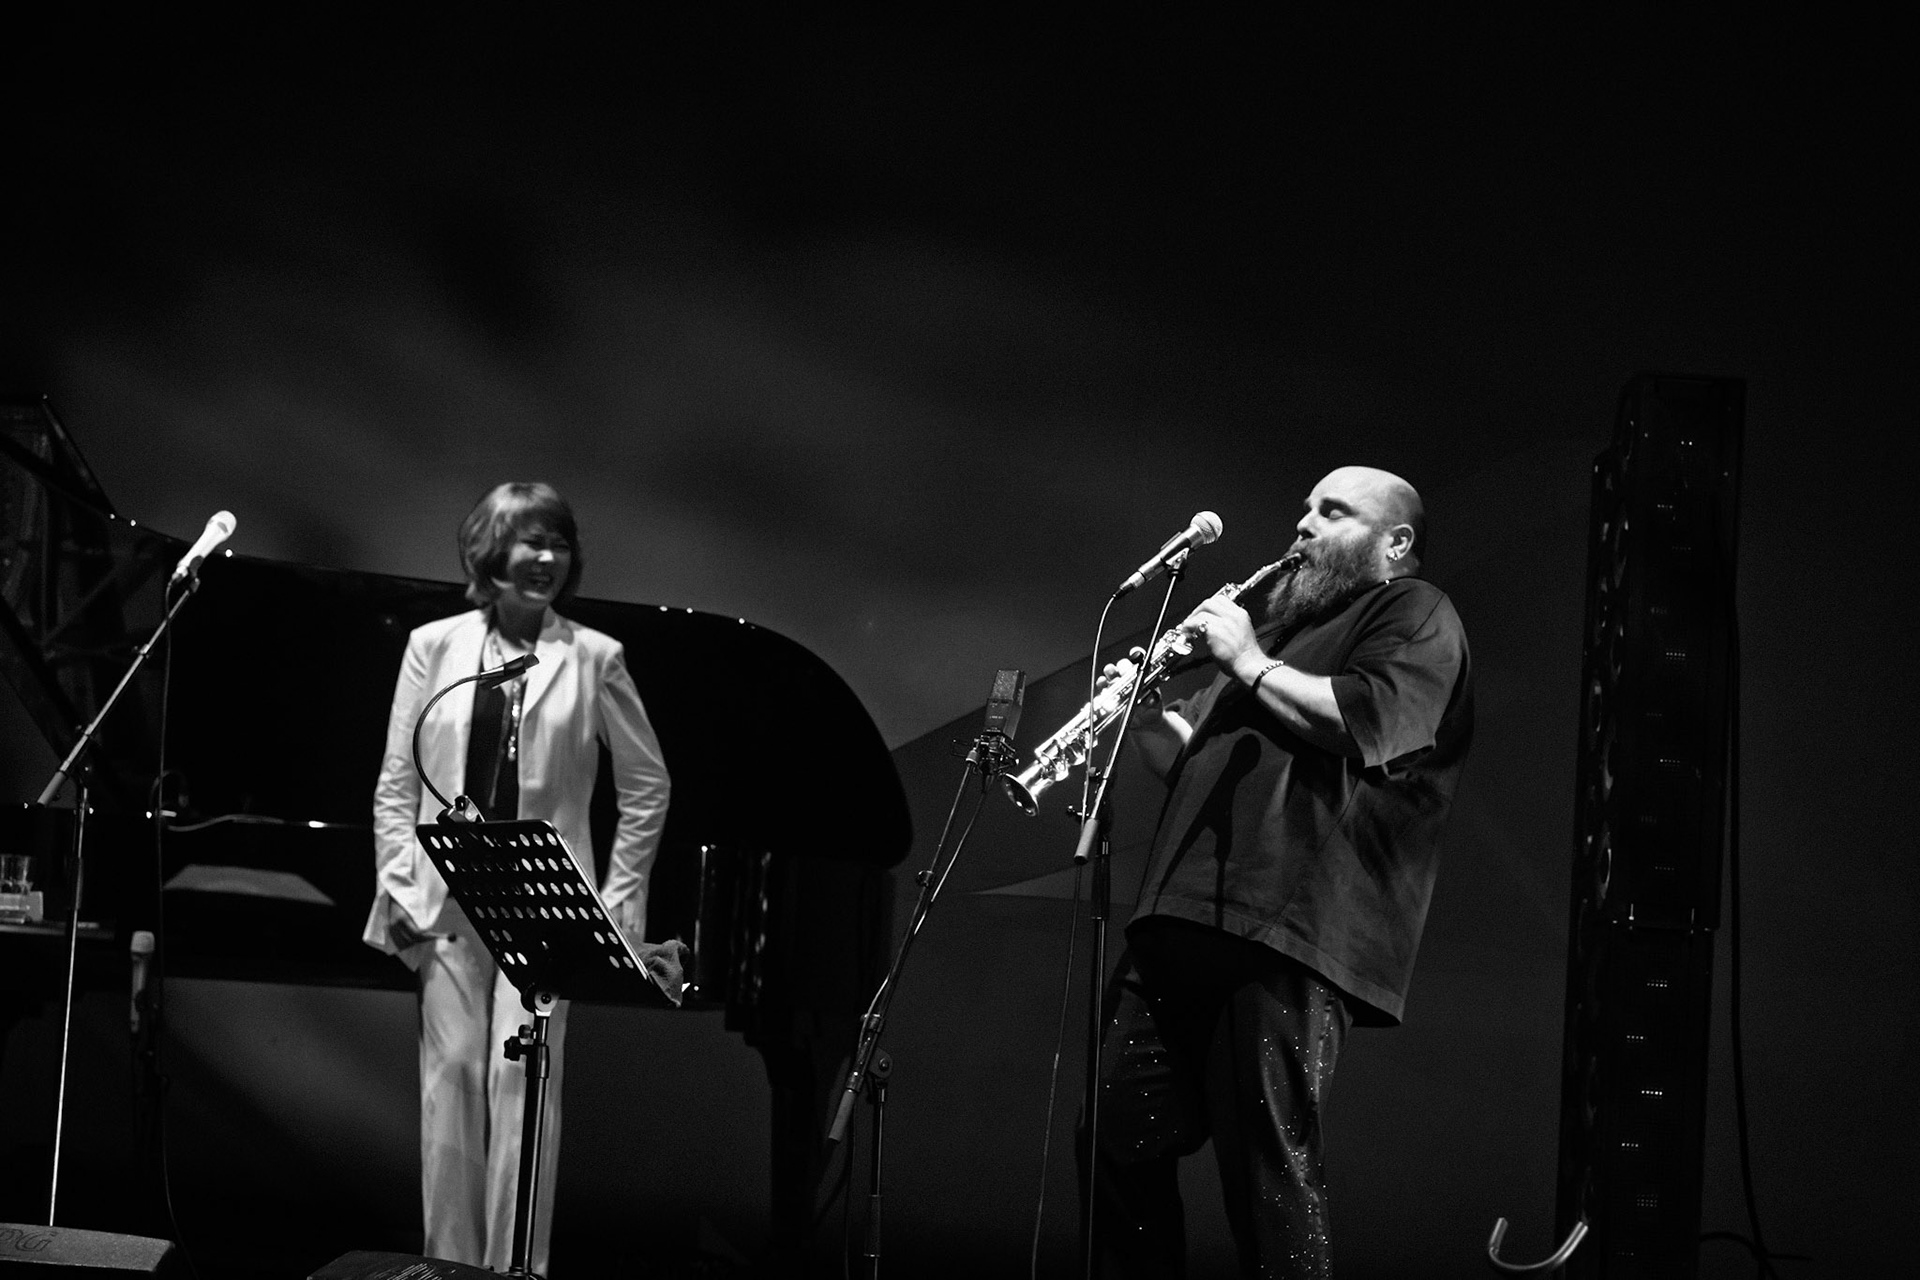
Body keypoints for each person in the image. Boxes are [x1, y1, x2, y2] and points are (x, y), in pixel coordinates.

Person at [1087, 465, 1473, 1278]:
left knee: (1266, 1178)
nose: (1303, 524)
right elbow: (1194, 757)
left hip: (1284, 930)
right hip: (1182, 919)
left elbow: (1369, 723)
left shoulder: (1413, 612)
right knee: (1112, 1139)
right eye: (1305, 508)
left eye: (1333, 513)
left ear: (1394, 542)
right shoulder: (1282, 639)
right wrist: (1135, 707)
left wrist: (1247, 660)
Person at [364, 482, 672, 1274]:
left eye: (558, 544)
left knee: (522, 1089)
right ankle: (447, 1271)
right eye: (530, 542)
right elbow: (399, 777)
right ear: (490, 555)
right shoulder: (435, 646)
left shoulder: (595, 656)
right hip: (445, 898)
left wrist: (614, 904)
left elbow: (648, 785)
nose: (546, 559)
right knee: (451, 1093)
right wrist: (399, 885)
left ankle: (516, 1274)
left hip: (545, 906)